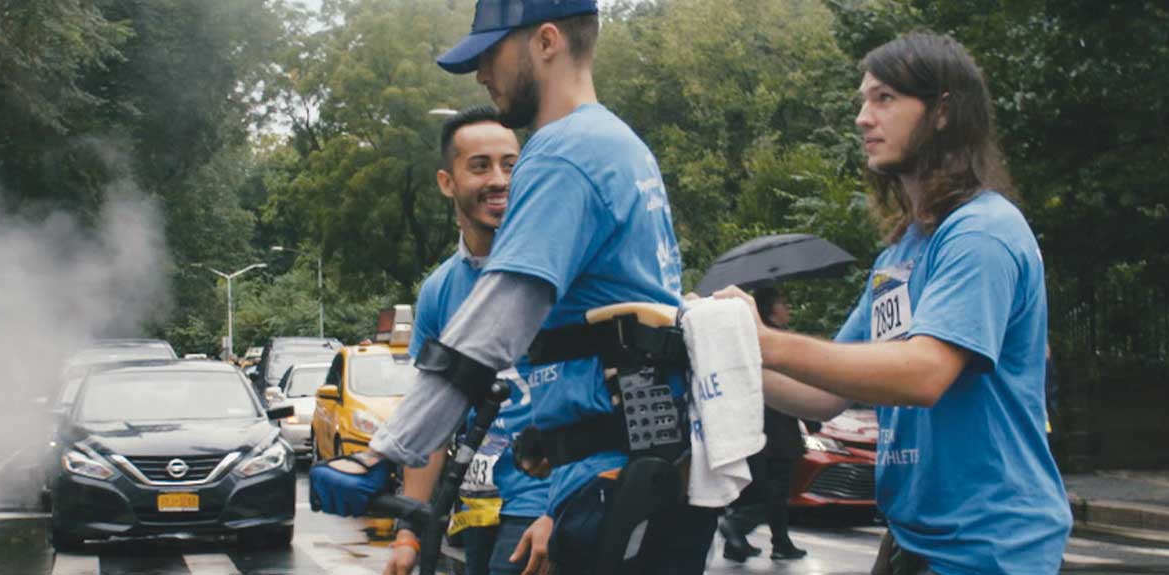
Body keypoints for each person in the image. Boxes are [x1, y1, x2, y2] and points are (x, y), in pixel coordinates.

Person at [310, 1, 713, 572]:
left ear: (546, 42)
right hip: (643, 468)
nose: (481, 75)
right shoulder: (625, 147)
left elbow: (498, 321)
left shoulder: (561, 152)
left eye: (490, 54)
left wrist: (382, 452)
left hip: (606, 479)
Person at [715, 33, 1071, 574]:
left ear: (943, 112)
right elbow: (822, 393)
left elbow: (923, 374)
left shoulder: (982, 233)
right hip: (915, 543)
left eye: (884, 98)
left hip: (988, 550)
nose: (862, 117)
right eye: (863, 100)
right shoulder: (902, 253)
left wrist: (765, 339)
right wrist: (720, 347)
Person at [381, 106, 549, 575]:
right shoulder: (438, 291)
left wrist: (559, 508)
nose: (499, 180)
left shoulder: (554, 270)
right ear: (446, 182)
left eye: (510, 165)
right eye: (480, 166)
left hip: (542, 498)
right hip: (475, 503)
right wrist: (408, 533)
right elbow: (432, 419)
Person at [716, 287, 807, 562]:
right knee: (775, 491)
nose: (787, 308)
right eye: (782, 302)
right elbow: (794, 383)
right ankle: (739, 527)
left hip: (753, 426)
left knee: (760, 488)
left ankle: (752, 543)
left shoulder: (748, 336)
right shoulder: (773, 341)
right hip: (776, 427)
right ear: (769, 309)